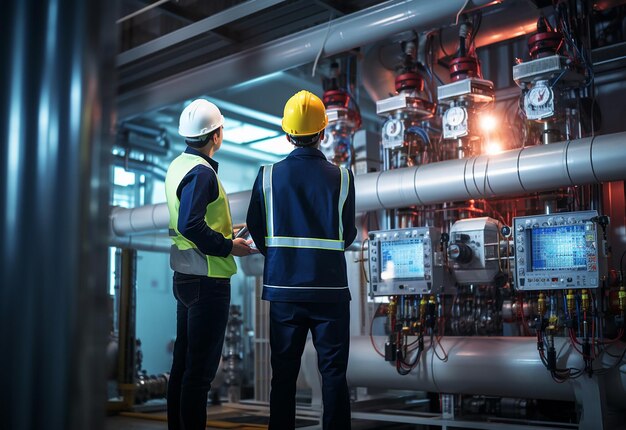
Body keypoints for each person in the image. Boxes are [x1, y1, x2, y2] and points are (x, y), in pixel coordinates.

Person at [246, 90, 357, 430]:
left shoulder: (267, 176)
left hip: (284, 293)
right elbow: (347, 233)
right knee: (334, 376)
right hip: (331, 293)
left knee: (283, 376)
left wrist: (282, 259)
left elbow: (255, 228)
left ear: (287, 133)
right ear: (323, 132)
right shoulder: (343, 177)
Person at [165, 98, 255, 430]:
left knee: (183, 366)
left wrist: (222, 232)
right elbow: (191, 224)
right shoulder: (202, 173)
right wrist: (228, 246)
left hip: (185, 275)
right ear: (216, 135)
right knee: (199, 374)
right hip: (208, 279)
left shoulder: (178, 165)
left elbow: (188, 221)